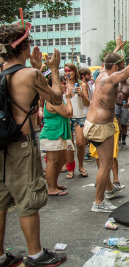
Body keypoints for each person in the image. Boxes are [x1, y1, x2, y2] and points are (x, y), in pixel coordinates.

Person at [0, 24, 66, 266]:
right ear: (24, 46)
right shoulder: (30, 75)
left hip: (1, 144)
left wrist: (37, 69)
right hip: (21, 146)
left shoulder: (3, 73)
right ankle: (36, 255)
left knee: (0, 202)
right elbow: (56, 98)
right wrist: (54, 71)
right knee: (28, 201)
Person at [84, 32, 129, 212]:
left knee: (106, 162)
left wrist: (117, 48)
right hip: (100, 126)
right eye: (121, 65)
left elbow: (108, 60)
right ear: (116, 66)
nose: (123, 68)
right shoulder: (110, 78)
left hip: (95, 124)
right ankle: (98, 202)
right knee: (106, 164)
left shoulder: (101, 73)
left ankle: (109, 189)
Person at [40, 75, 73, 196]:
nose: (65, 85)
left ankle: (54, 183)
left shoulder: (57, 98)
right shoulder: (54, 99)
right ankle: (51, 188)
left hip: (59, 134)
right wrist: (69, 99)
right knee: (52, 162)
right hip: (52, 134)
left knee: (62, 159)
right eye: (63, 83)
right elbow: (68, 113)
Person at [64, 63, 90, 179]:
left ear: (75, 72)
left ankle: (81, 166)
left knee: (80, 144)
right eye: (66, 71)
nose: (67, 73)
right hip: (66, 118)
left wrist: (81, 95)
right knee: (69, 146)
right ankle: (70, 169)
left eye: (70, 71)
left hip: (79, 117)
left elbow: (87, 103)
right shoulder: (62, 85)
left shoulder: (81, 85)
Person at [115, 80, 129, 148]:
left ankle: (123, 141)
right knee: (115, 124)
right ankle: (117, 140)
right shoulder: (115, 84)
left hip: (124, 106)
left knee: (124, 125)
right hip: (115, 105)